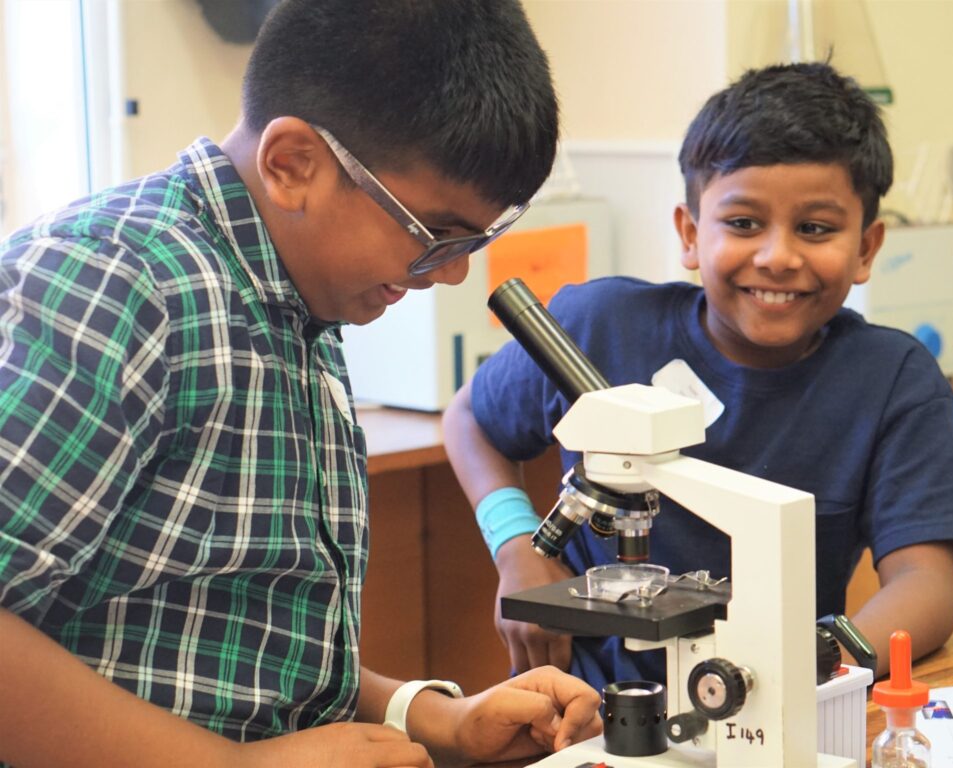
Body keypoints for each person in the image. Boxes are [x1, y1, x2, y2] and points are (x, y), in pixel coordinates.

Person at [0, 2, 603, 766]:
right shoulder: (117, 281)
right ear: (292, 163)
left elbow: (232, 639)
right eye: (432, 236)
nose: (449, 275)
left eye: (473, 243)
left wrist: (434, 715)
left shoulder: (295, 303)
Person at [443, 61, 953, 693]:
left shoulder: (893, 379)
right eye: (742, 223)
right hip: (584, 702)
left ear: (866, 247)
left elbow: (925, 585)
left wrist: (806, 669)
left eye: (815, 228)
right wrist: (517, 547)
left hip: (789, 700)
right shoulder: (597, 325)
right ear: (689, 233)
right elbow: (470, 420)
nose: (777, 257)